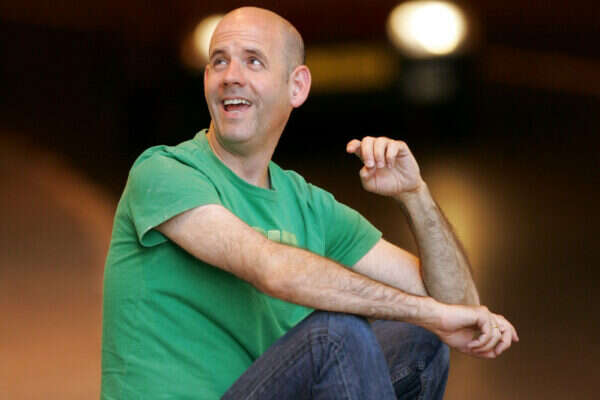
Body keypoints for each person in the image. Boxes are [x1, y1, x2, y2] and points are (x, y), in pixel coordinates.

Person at [100, 6, 518, 400]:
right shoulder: (163, 172)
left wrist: (416, 195)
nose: (230, 76)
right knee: (334, 335)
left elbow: (460, 306)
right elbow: (270, 268)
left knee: (419, 338)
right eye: (219, 62)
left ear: (297, 86)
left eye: (253, 61)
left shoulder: (308, 205)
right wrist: (429, 312)